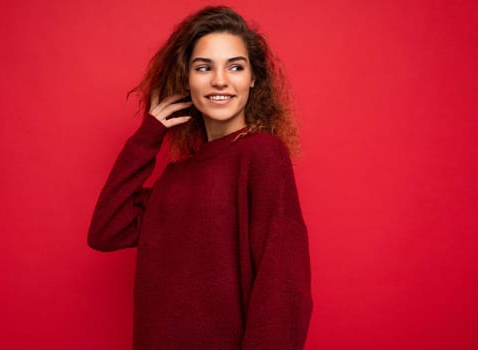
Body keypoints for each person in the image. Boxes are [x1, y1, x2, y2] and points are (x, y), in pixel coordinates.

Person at [87, 5, 313, 349]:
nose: (219, 80)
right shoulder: (177, 176)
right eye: (203, 67)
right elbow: (106, 230)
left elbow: (282, 286)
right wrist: (148, 135)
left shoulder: (262, 154)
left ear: (253, 78)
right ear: (187, 79)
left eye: (235, 67)